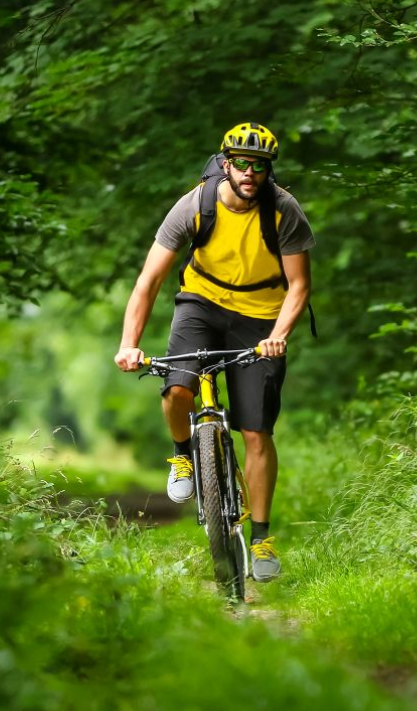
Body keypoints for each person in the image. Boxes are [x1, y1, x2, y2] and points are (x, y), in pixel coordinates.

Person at [113, 122, 314, 582]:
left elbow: (299, 286)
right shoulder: (194, 205)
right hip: (201, 306)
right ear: (225, 164)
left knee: (256, 432)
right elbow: (148, 283)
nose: (249, 172)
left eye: (258, 166)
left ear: (267, 172)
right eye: (240, 163)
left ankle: (261, 538)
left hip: (261, 317)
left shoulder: (283, 211)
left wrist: (279, 333)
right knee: (176, 389)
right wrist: (129, 344)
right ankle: (183, 453)